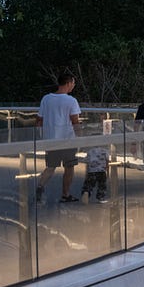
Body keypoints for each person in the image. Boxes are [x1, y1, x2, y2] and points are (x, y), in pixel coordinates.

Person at [35, 71, 82, 203]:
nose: (73, 85)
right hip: (67, 140)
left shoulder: (46, 99)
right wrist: (80, 137)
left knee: (50, 167)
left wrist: (41, 135)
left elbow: (39, 119)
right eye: (73, 83)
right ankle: (65, 194)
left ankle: (40, 187)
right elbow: (75, 121)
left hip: (51, 140)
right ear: (68, 83)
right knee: (69, 167)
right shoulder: (71, 101)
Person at [80, 137, 111, 203]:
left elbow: (87, 163)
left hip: (92, 171)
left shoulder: (90, 152)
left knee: (89, 184)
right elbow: (107, 162)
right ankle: (101, 198)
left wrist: (87, 172)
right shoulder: (105, 151)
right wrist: (107, 172)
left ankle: (86, 193)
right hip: (102, 171)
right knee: (102, 185)